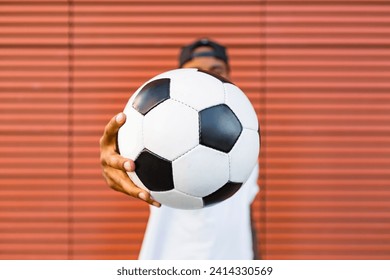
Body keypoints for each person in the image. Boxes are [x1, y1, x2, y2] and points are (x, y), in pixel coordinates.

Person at [99, 38, 260, 259]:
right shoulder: (155, 133)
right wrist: (112, 162)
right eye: (197, 72)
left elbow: (242, 209)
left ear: (228, 77)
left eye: (215, 71)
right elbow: (117, 156)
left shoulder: (243, 137)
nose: (205, 79)